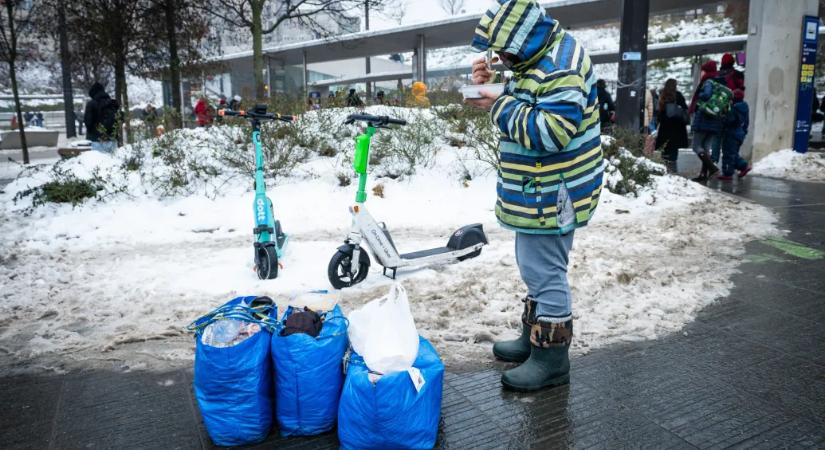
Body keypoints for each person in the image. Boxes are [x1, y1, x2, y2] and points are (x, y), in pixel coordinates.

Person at [465, 0, 603, 392]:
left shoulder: (562, 66)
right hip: (538, 188)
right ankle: (534, 337)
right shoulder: (538, 53)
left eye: (505, 52)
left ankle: (552, 359)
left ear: (523, 39)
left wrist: (497, 103)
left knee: (545, 272)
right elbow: (527, 92)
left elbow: (551, 132)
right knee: (534, 267)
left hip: (555, 190)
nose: (503, 58)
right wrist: (489, 82)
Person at [690, 60, 723, 182]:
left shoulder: (708, 81)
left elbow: (706, 95)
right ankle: (703, 174)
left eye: (703, 70)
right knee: (706, 147)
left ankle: (712, 168)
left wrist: (700, 95)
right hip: (715, 119)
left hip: (704, 118)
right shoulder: (719, 82)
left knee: (696, 146)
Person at [655, 79, 689, 173]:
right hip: (677, 127)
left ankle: (664, 168)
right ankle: (673, 169)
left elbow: (659, 113)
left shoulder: (662, 95)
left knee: (665, 148)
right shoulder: (678, 95)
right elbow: (685, 109)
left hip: (665, 127)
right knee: (674, 149)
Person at [719, 89, 751, 180]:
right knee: (733, 153)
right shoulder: (745, 107)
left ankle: (728, 173)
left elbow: (730, 121)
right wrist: (744, 132)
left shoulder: (734, 108)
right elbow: (746, 122)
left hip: (731, 133)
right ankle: (743, 167)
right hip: (740, 134)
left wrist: (723, 118)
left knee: (728, 153)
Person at [84, 82, 119, 153]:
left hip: (96, 140)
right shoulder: (113, 103)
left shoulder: (91, 104)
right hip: (112, 139)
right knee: (112, 159)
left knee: (98, 159)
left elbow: (88, 122)